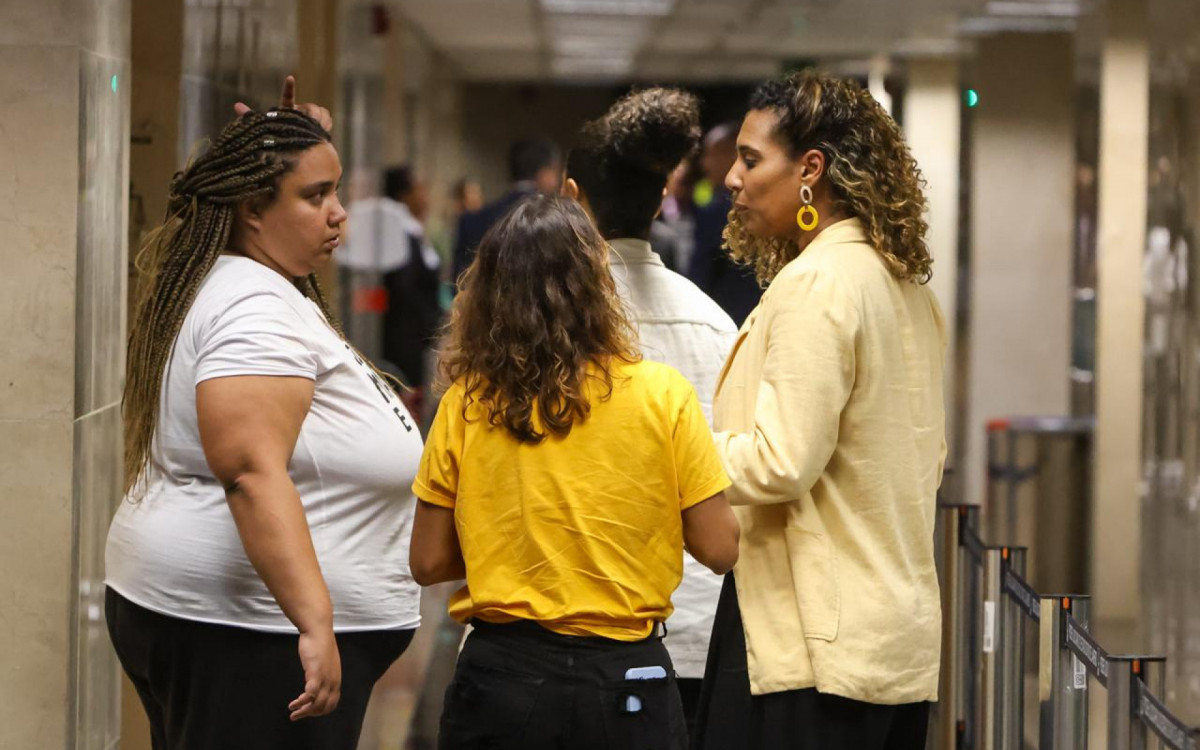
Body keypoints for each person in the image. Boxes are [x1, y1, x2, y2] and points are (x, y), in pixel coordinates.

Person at [105, 106, 423, 749]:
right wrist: (314, 620)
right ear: (253, 209)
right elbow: (249, 470)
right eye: (315, 196)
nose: (339, 214)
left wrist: (289, 136)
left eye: (336, 191)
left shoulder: (246, 281)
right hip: (251, 633)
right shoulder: (254, 308)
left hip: (234, 624)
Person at [409, 195, 741, 750]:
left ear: (489, 292)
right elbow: (719, 548)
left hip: (501, 680)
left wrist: (511, 542)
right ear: (598, 286)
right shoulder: (664, 396)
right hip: (626, 684)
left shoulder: (467, 403)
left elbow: (427, 560)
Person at [693, 70, 947, 750]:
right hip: (894, 637)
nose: (733, 181)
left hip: (812, 643)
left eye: (752, 160)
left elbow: (780, 463)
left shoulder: (818, 283)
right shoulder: (901, 283)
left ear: (811, 168)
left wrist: (670, 448)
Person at [562, 86, 737, 735]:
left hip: (554, 639)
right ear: (661, 198)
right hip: (689, 636)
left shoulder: (530, 329)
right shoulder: (716, 328)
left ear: (573, 199)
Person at [451, 137, 562, 283]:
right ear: (545, 173)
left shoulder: (470, 221)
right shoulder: (557, 221)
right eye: (556, 172)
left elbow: (459, 280)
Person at [686, 123, 763, 326]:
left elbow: (700, 273)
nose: (704, 164)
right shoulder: (766, 207)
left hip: (723, 319)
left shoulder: (715, 214)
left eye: (711, 154)